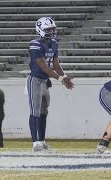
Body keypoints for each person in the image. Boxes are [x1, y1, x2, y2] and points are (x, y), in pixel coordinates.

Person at [27, 17, 74, 152]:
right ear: (40, 30)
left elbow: (56, 65)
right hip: (35, 80)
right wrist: (60, 79)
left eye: (52, 29)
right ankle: (36, 143)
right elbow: (44, 68)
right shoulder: (35, 44)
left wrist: (65, 77)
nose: (51, 32)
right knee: (35, 112)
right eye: (48, 29)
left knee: (43, 112)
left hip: (45, 82)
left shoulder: (54, 43)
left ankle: (42, 142)